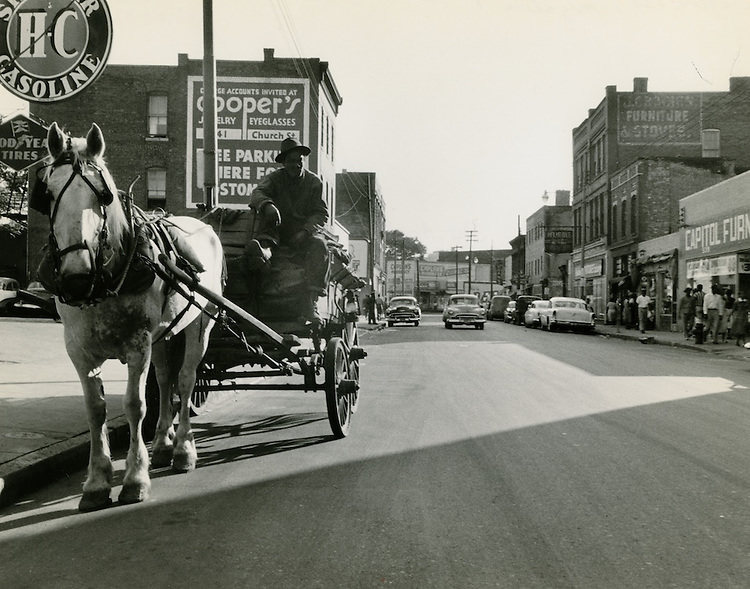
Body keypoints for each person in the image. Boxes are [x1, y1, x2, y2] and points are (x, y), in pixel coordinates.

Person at [245, 137, 329, 323]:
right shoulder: (275, 179)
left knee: (320, 247)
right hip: (277, 230)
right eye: (292, 161)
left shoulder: (314, 182)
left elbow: (320, 213)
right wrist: (268, 205)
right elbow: (258, 193)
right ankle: (263, 256)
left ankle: (310, 304)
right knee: (261, 243)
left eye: (299, 160)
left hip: (303, 234)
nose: (296, 165)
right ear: (284, 163)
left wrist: (306, 231)